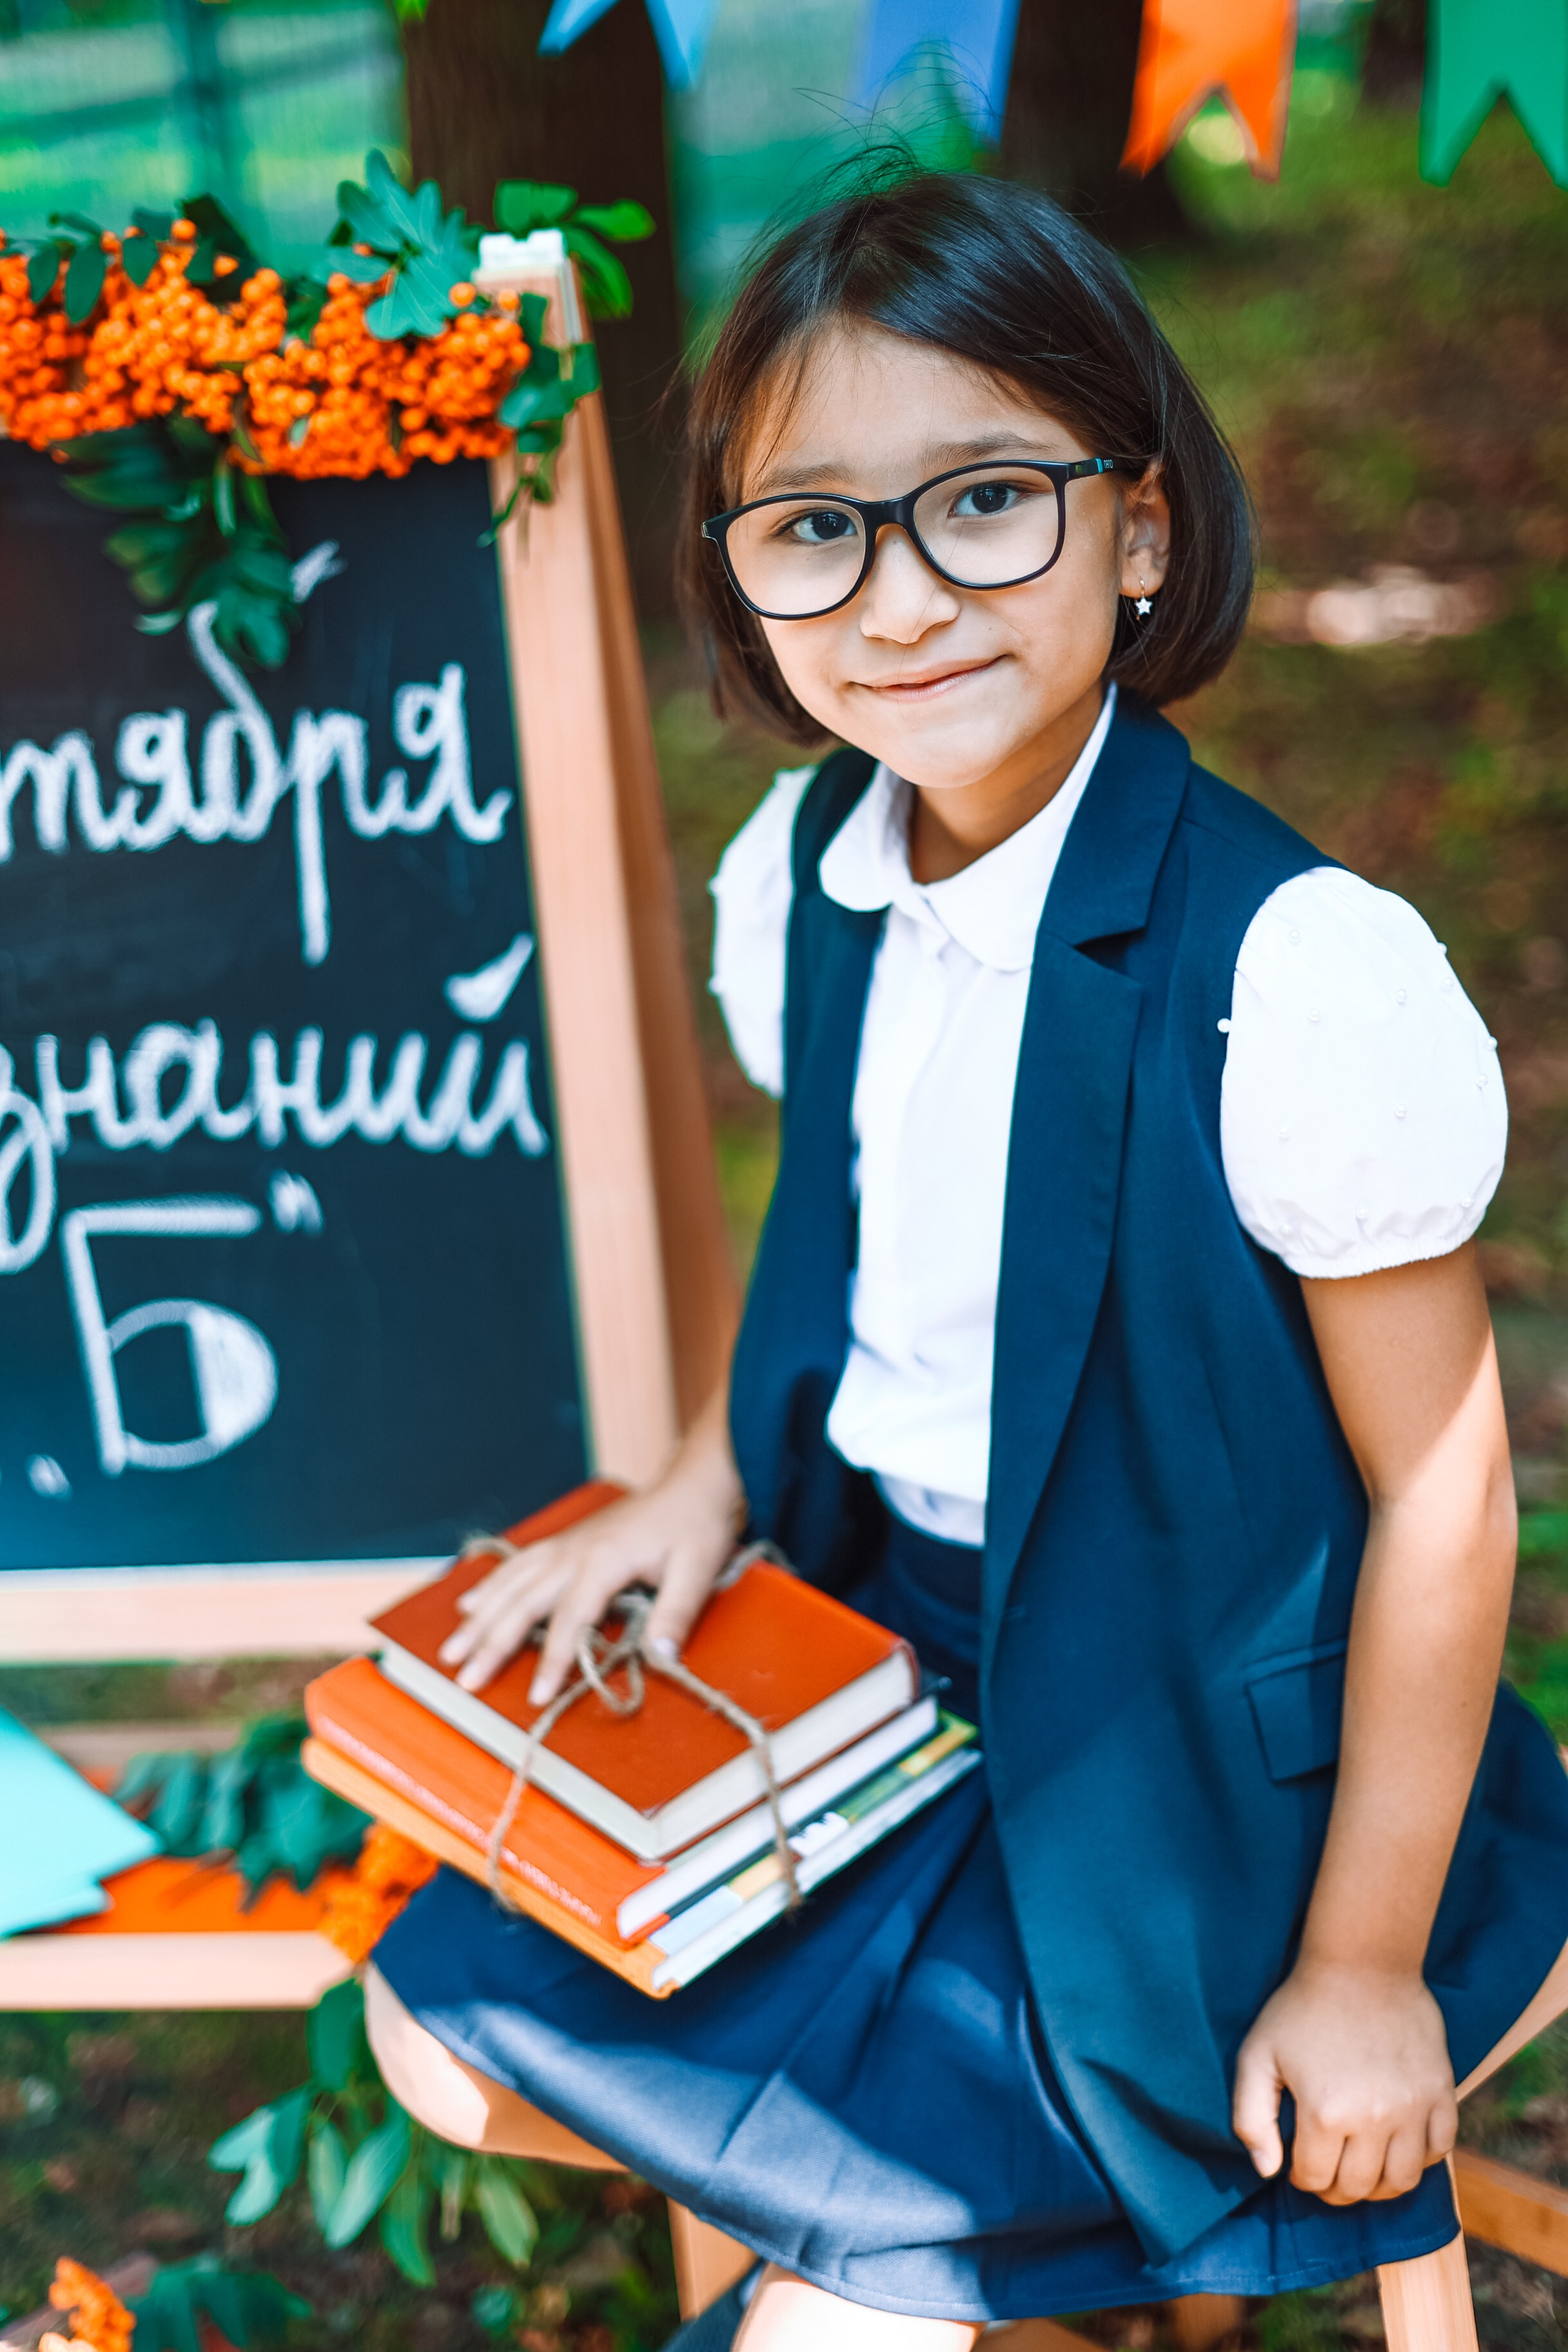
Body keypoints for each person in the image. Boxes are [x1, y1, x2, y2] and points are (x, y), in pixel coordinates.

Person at [364, 171, 1568, 2349]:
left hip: (1200, 1746)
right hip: (898, 1649)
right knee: (451, 2013)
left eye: (987, 501)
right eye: (814, 528)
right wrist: (701, 1484)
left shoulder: (1295, 971)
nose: (900, 598)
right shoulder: (804, 875)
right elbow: (849, 1261)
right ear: (738, 573)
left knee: (855, 2295)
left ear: (1141, 528)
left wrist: (1363, 1962)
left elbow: (1444, 1489)